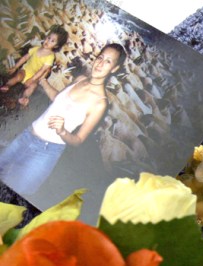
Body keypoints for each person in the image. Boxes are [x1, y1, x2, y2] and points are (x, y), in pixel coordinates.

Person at [0, 43, 126, 195]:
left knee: (15, 195)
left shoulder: (100, 103)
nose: (100, 63)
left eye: (108, 61)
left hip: (45, 151)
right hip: (26, 135)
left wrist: (62, 131)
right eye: (100, 57)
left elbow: (78, 139)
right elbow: (57, 99)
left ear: (114, 69)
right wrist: (42, 81)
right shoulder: (80, 79)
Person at [1, 25, 69, 107]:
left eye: (52, 41)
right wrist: (15, 67)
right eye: (48, 38)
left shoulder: (50, 57)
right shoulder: (36, 48)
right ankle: (7, 85)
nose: (48, 41)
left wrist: (32, 79)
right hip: (25, 70)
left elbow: (42, 71)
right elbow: (25, 57)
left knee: (32, 86)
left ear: (56, 46)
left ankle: (24, 98)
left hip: (35, 76)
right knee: (17, 77)